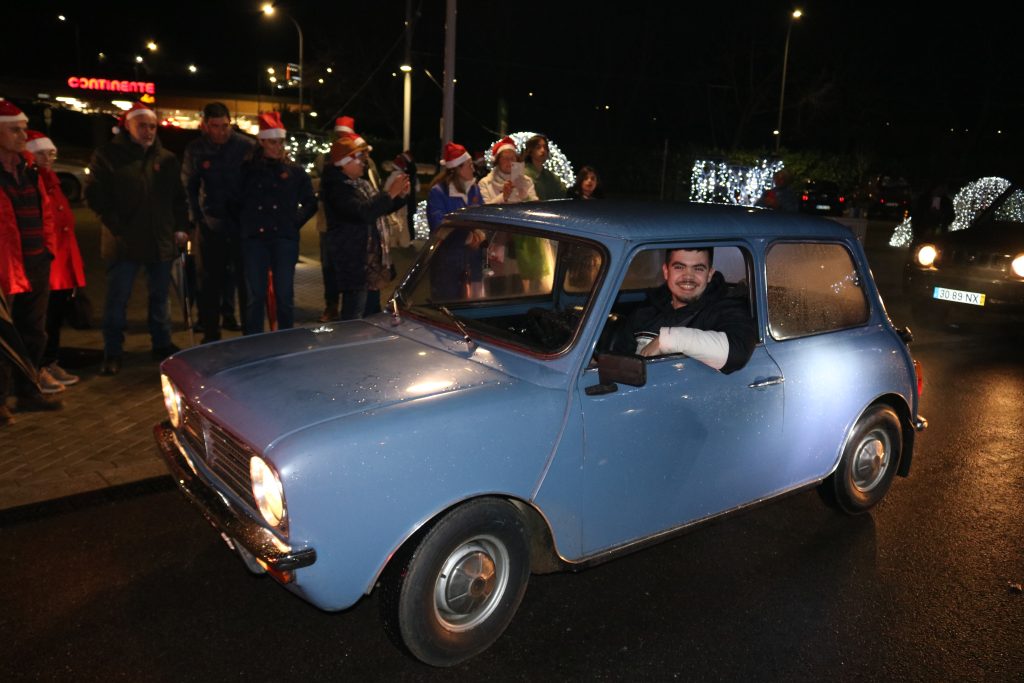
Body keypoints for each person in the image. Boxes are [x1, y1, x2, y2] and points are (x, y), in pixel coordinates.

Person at [86, 101, 189, 375]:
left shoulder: (166, 158)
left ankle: (161, 343)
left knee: (160, 297)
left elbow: (178, 198)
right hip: (124, 243)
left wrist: (180, 227)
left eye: (152, 126)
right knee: (118, 298)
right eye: (142, 126)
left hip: (159, 240)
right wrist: (119, 227)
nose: (148, 131)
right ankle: (113, 350)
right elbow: (96, 196)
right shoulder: (107, 156)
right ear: (128, 126)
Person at [0, 99, 62, 423]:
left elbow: (45, 212)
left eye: (23, 130)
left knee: (34, 332)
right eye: (15, 130)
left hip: (36, 262)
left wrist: (47, 251)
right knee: (4, 337)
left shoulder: (29, 169)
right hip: (5, 268)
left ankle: (28, 391)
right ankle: (0, 400)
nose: (23, 136)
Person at [612, 247, 756, 374]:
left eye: (698, 268)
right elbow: (618, 360)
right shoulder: (645, 311)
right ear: (666, 271)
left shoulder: (726, 309)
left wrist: (667, 340)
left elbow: (738, 353)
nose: (688, 277)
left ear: (709, 274)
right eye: (679, 267)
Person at [181, 102, 255, 343]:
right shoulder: (196, 149)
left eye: (225, 126)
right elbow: (189, 187)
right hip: (210, 225)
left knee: (245, 282)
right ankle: (211, 334)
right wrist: (195, 220)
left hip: (241, 225)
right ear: (205, 125)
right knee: (209, 282)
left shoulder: (246, 146)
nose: (221, 132)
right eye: (215, 126)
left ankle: (250, 335)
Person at [237, 112, 317, 335]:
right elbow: (234, 201)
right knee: (255, 295)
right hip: (255, 240)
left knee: (284, 296)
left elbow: (310, 202)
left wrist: (293, 223)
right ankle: (253, 340)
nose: (278, 147)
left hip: (283, 239)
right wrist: (246, 225)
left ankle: (285, 339)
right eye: (273, 142)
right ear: (262, 142)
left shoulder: (294, 172)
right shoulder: (247, 170)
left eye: (281, 142)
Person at [321, 136, 409, 320]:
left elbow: (377, 209)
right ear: (344, 163)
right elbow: (363, 212)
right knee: (354, 317)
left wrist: (399, 196)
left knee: (372, 315)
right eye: (359, 159)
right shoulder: (337, 188)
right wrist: (389, 194)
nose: (364, 163)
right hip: (354, 262)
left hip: (370, 263)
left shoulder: (361, 184)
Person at [26, 130, 85, 392]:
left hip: (61, 262)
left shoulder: (51, 180)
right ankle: (38, 368)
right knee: (42, 318)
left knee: (56, 314)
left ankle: (50, 362)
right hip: (47, 263)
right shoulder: (33, 181)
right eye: (41, 153)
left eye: (51, 153)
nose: (47, 158)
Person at [426, 142, 485, 299]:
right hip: (447, 264)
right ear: (457, 168)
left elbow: (482, 215)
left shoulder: (474, 189)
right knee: (448, 304)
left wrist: (480, 232)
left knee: (471, 305)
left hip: (472, 262)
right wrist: (467, 237)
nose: (473, 169)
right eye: (469, 165)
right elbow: (439, 226)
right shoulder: (439, 192)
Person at [479, 136, 537, 205]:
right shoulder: (485, 183)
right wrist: (503, 196)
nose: (509, 161)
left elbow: (535, 207)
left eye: (512, 158)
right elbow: (485, 209)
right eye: (505, 158)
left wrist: (523, 193)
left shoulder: (527, 181)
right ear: (498, 161)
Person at [383, 150, 418, 249]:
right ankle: (406, 241)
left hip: (396, 203)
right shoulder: (410, 176)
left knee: (395, 223)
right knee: (405, 222)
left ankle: (395, 242)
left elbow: (387, 188)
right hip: (406, 203)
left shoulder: (396, 176)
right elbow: (417, 188)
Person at [522, 134, 565, 200]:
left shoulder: (551, 177)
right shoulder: (523, 174)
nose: (543, 150)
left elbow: (563, 194)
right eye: (538, 147)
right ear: (530, 151)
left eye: (545, 147)